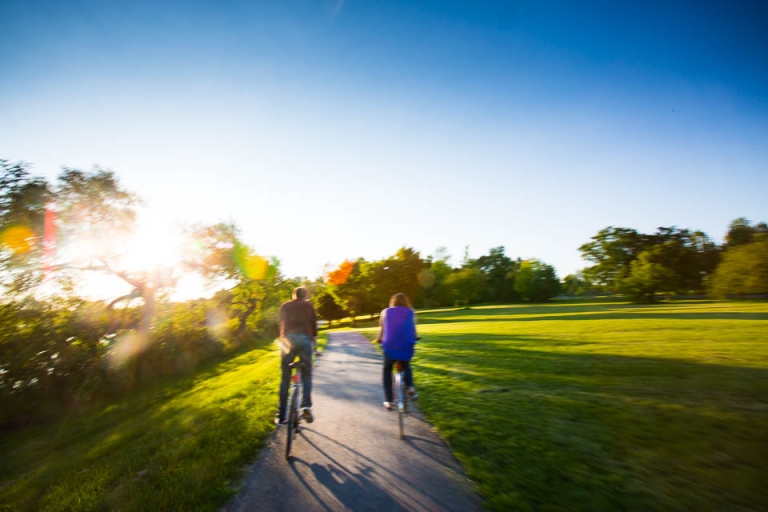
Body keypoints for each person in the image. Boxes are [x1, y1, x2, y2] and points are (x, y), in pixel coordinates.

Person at [276, 286, 317, 425]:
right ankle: (305, 406)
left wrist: (283, 341)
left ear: (294, 295)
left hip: (288, 340)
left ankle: (281, 415)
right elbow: (313, 327)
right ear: (304, 295)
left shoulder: (285, 306)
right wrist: (314, 346)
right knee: (306, 374)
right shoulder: (309, 306)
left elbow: (281, 325)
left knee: (285, 377)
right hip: (305, 340)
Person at [377, 292, 419, 410]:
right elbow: (414, 331)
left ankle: (388, 400)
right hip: (406, 346)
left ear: (392, 302)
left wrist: (378, 339)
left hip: (390, 347)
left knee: (387, 369)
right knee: (406, 364)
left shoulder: (385, 312)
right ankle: (410, 387)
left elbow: (382, 329)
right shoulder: (411, 313)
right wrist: (415, 338)